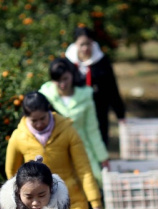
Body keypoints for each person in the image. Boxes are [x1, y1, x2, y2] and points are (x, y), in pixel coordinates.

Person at [5, 91, 104, 209]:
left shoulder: (67, 130)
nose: (39, 124)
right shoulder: (18, 137)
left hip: (71, 201)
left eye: (42, 118)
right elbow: (12, 174)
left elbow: (84, 169)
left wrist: (96, 204)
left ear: (49, 111)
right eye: (34, 121)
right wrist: (21, 202)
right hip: (37, 205)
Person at [39, 58, 109, 186]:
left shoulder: (85, 95)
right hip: (57, 151)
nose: (62, 84)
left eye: (65, 79)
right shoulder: (45, 96)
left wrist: (102, 157)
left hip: (82, 148)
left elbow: (92, 129)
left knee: (92, 182)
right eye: (57, 80)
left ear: (72, 74)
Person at [65, 26, 126, 147]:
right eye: (82, 44)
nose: (85, 48)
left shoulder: (101, 61)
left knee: (99, 140)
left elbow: (112, 87)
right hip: (76, 109)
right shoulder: (68, 62)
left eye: (88, 44)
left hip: (98, 108)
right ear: (75, 44)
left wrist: (120, 112)